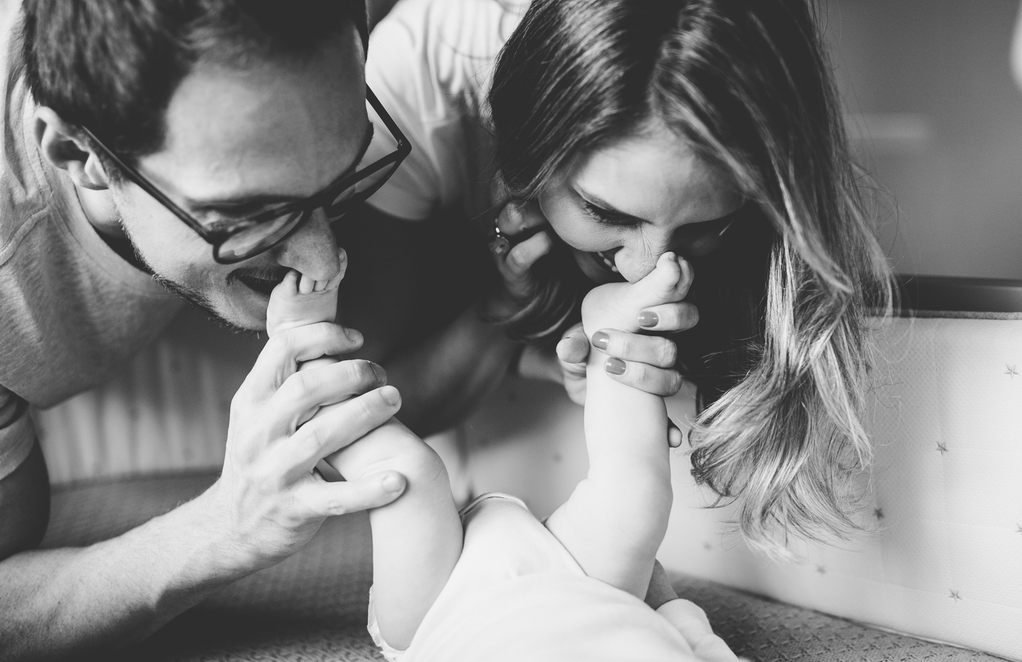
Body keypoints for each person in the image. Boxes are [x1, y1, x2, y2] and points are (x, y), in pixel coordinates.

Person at [0, 0, 408, 656]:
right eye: (248, 213)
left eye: (342, 173)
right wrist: (224, 524)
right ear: (79, 156)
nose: (328, 255)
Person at [349, 0, 894, 555]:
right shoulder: (411, 85)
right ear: (522, 155)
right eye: (607, 213)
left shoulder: (758, 104)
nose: (651, 273)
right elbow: (364, 412)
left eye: (705, 224)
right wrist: (504, 313)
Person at [266, 252, 744, 661]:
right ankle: (614, 329)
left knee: (407, 474)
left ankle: (305, 348)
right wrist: (672, 613)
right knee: (636, 501)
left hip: (437, 611)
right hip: (588, 582)